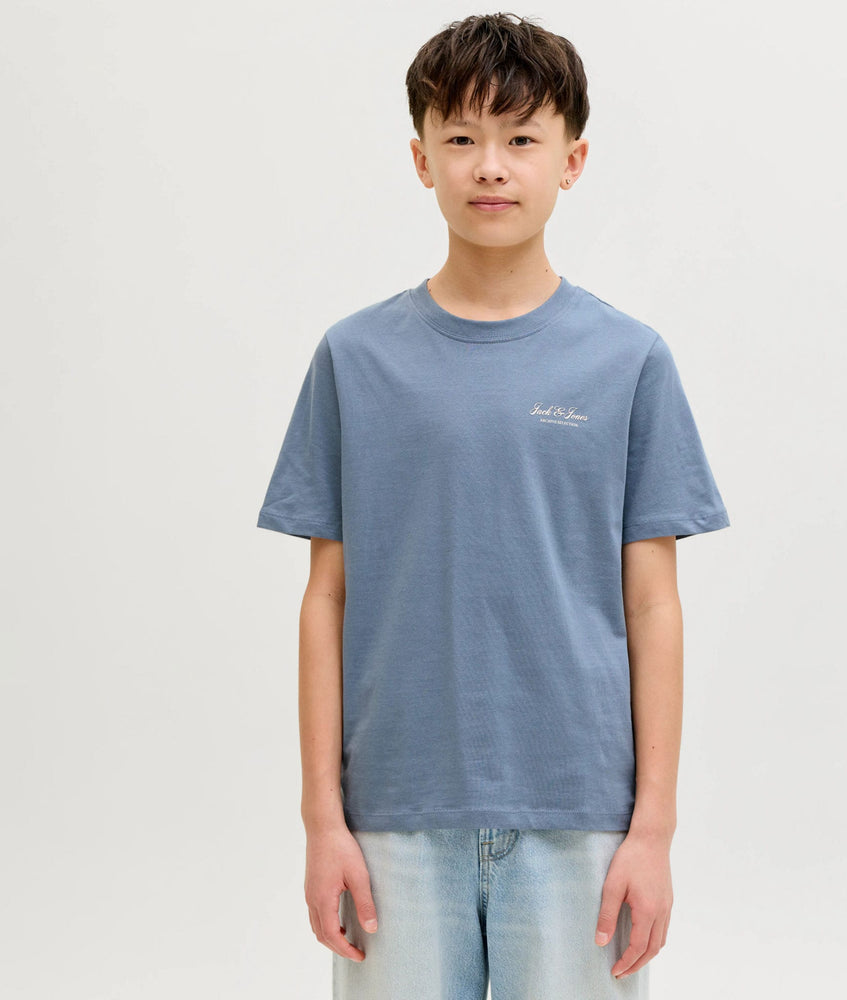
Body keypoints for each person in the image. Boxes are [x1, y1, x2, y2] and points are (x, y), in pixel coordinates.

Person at [256, 11, 730, 999]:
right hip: (392, 817)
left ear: (572, 160)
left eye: (521, 138)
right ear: (421, 158)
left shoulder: (629, 361)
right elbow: (325, 598)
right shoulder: (355, 358)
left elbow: (653, 604)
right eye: (462, 136)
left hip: (580, 815)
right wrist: (321, 819)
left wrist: (652, 829)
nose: (491, 166)